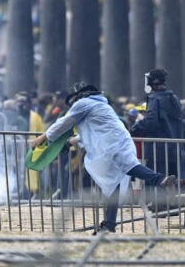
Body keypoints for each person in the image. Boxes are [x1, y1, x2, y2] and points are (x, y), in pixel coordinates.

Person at [30, 82, 175, 234]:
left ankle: (160, 180)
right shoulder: (101, 105)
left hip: (110, 145)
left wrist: (43, 137)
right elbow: (93, 131)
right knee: (113, 184)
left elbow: (64, 122)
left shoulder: (83, 103)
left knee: (128, 168)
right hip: (118, 141)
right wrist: (71, 142)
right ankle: (109, 224)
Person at [129, 68, 184, 177]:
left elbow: (151, 121)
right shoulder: (174, 97)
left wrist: (134, 129)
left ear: (153, 81)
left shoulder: (154, 98)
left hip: (157, 151)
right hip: (175, 149)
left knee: (156, 182)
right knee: (172, 182)